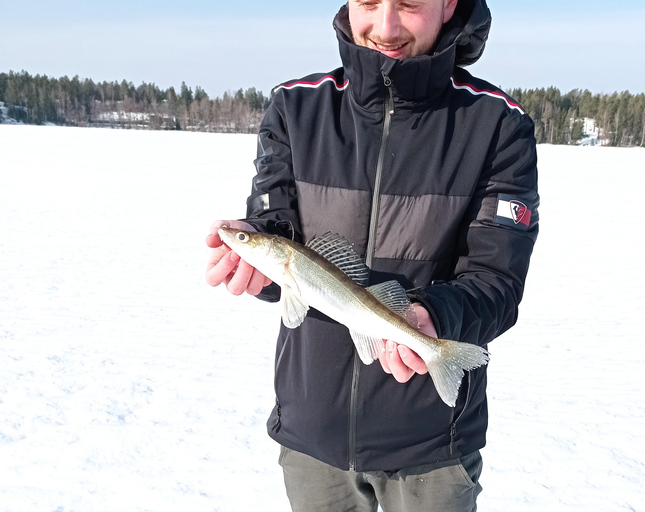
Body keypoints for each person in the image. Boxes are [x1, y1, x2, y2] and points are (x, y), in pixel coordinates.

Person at [205, 0, 539, 510]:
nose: (384, 27)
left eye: (407, 4)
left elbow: (497, 279)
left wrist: (432, 317)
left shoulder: (496, 125)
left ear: (449, 4)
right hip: (312, 433)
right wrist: (254, 256)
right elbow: (278, 229)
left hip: (433, 444)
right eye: (368, 2)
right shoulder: (295, 107)